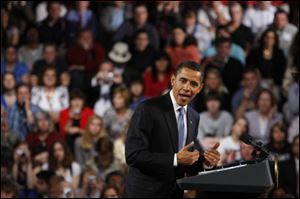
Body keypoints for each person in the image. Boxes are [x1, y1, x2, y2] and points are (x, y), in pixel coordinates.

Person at [125, 61, 220, 197]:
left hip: (174, 193)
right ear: (173, 80)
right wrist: (175, 159)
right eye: (183, 80)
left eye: (193, 84)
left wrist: (206, 162)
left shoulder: (194, 117)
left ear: (200, 88)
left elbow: (186, 161)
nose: (187, 88)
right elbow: (133, 155)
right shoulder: (148, 109)